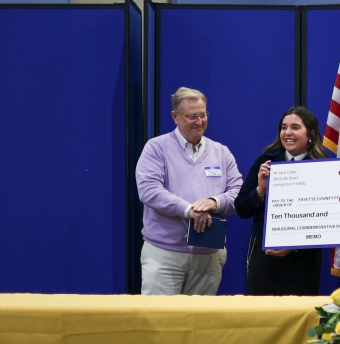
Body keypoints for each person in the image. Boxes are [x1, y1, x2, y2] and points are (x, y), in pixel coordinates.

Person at [135, 87, 242, 295]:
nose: (199, 121)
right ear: (175, 117)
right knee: (160, 322)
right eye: (192, 116)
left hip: (208, 255)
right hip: (165, 255)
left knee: (199, 324)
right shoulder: (156, 148)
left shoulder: (221, 152)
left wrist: (213, 202)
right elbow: (149, 190)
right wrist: (189, 210)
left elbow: (237, 191)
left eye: (203, 115)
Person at [236, 106, 329, 295]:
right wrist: (261, 189)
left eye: (295, 127)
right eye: (283, 127)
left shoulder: (323, 165)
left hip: (304, 257)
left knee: (300, 314)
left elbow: (327, 216)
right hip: (264, 255)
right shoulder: (266, 161)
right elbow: (242, 209)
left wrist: (295, 244)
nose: (288, 133)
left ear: (311, 133)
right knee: (261, 313)